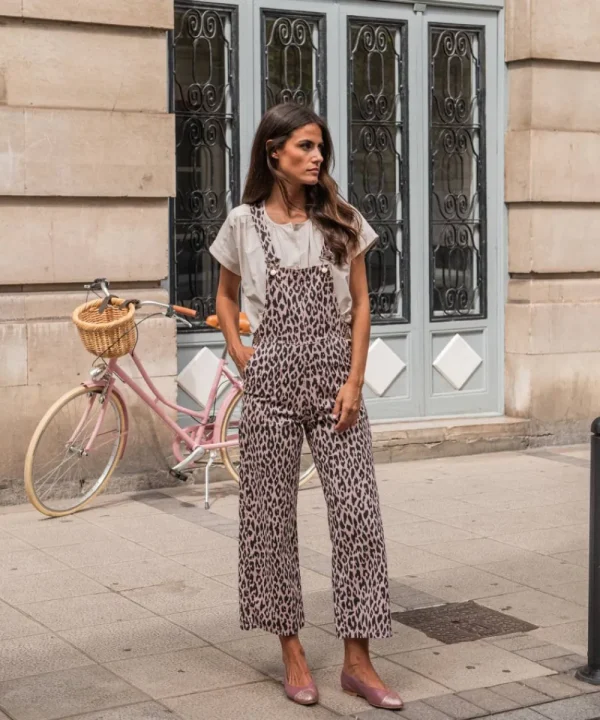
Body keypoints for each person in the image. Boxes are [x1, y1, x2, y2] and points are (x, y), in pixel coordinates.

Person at [210, 103, 402, 711]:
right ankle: (291, 651)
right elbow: (224, 292)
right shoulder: (242, 222)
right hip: (269, 383)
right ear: (274, 154)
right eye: (305, 147)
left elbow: (364, 302)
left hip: (335, 384)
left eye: (320, 147)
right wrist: (241, 351)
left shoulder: (342, 219)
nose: (317, 157)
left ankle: (358, 661)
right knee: (269, 521)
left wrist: (355, 379)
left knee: (358, 519)